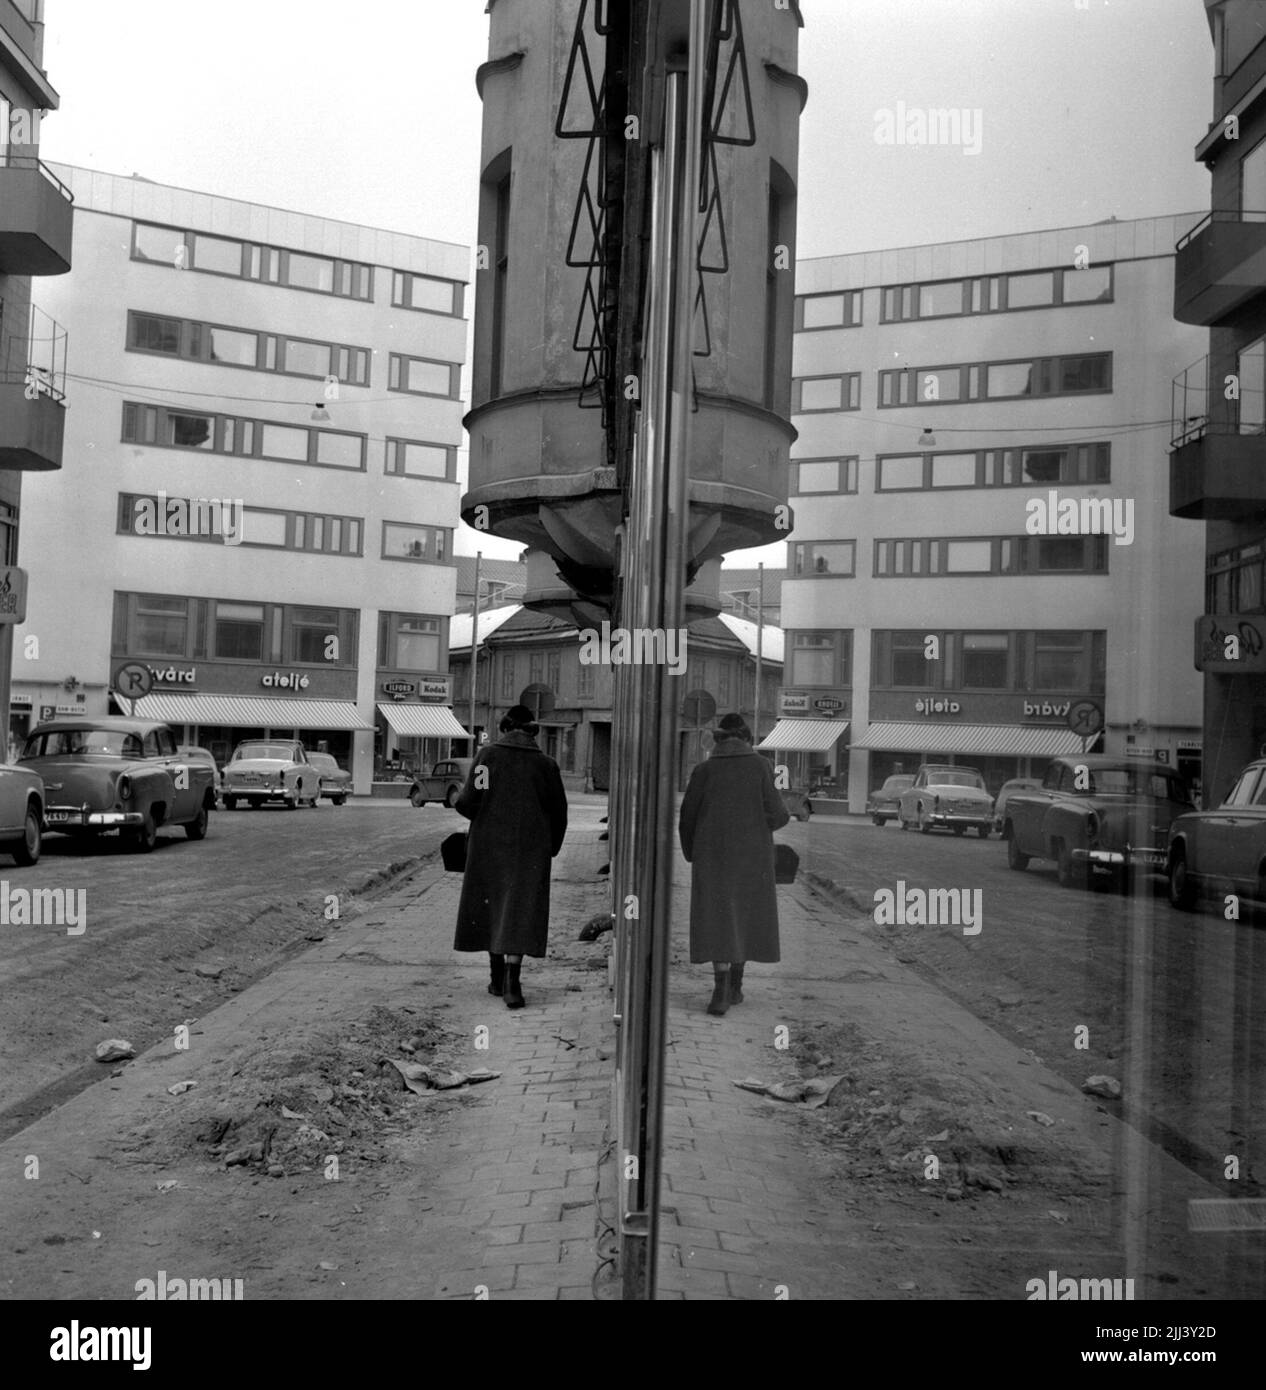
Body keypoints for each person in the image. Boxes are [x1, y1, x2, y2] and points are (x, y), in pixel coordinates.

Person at [453, 705, 568, 1009]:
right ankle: (512, 984)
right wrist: (550, 848)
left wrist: (483, 812)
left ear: (506, 727)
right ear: (532, 731)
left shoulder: (488, 758)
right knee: (518, 912)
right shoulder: (546, 765)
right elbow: (559, 815)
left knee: (493, 907)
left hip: (488, 847)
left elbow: (468, 803)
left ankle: (494, 977)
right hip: (530, 850)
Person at [678, 712, 790, 1016]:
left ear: (718, 740)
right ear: (746, 738)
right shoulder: (761, 766)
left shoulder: (703, 771)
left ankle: (720, 990)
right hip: (752, 858)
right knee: (744, 917)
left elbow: (686, 818)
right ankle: (736, 987)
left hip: (712, 858)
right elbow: (780, 815)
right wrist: (755, 826)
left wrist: (693, 854)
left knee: (718, 920)